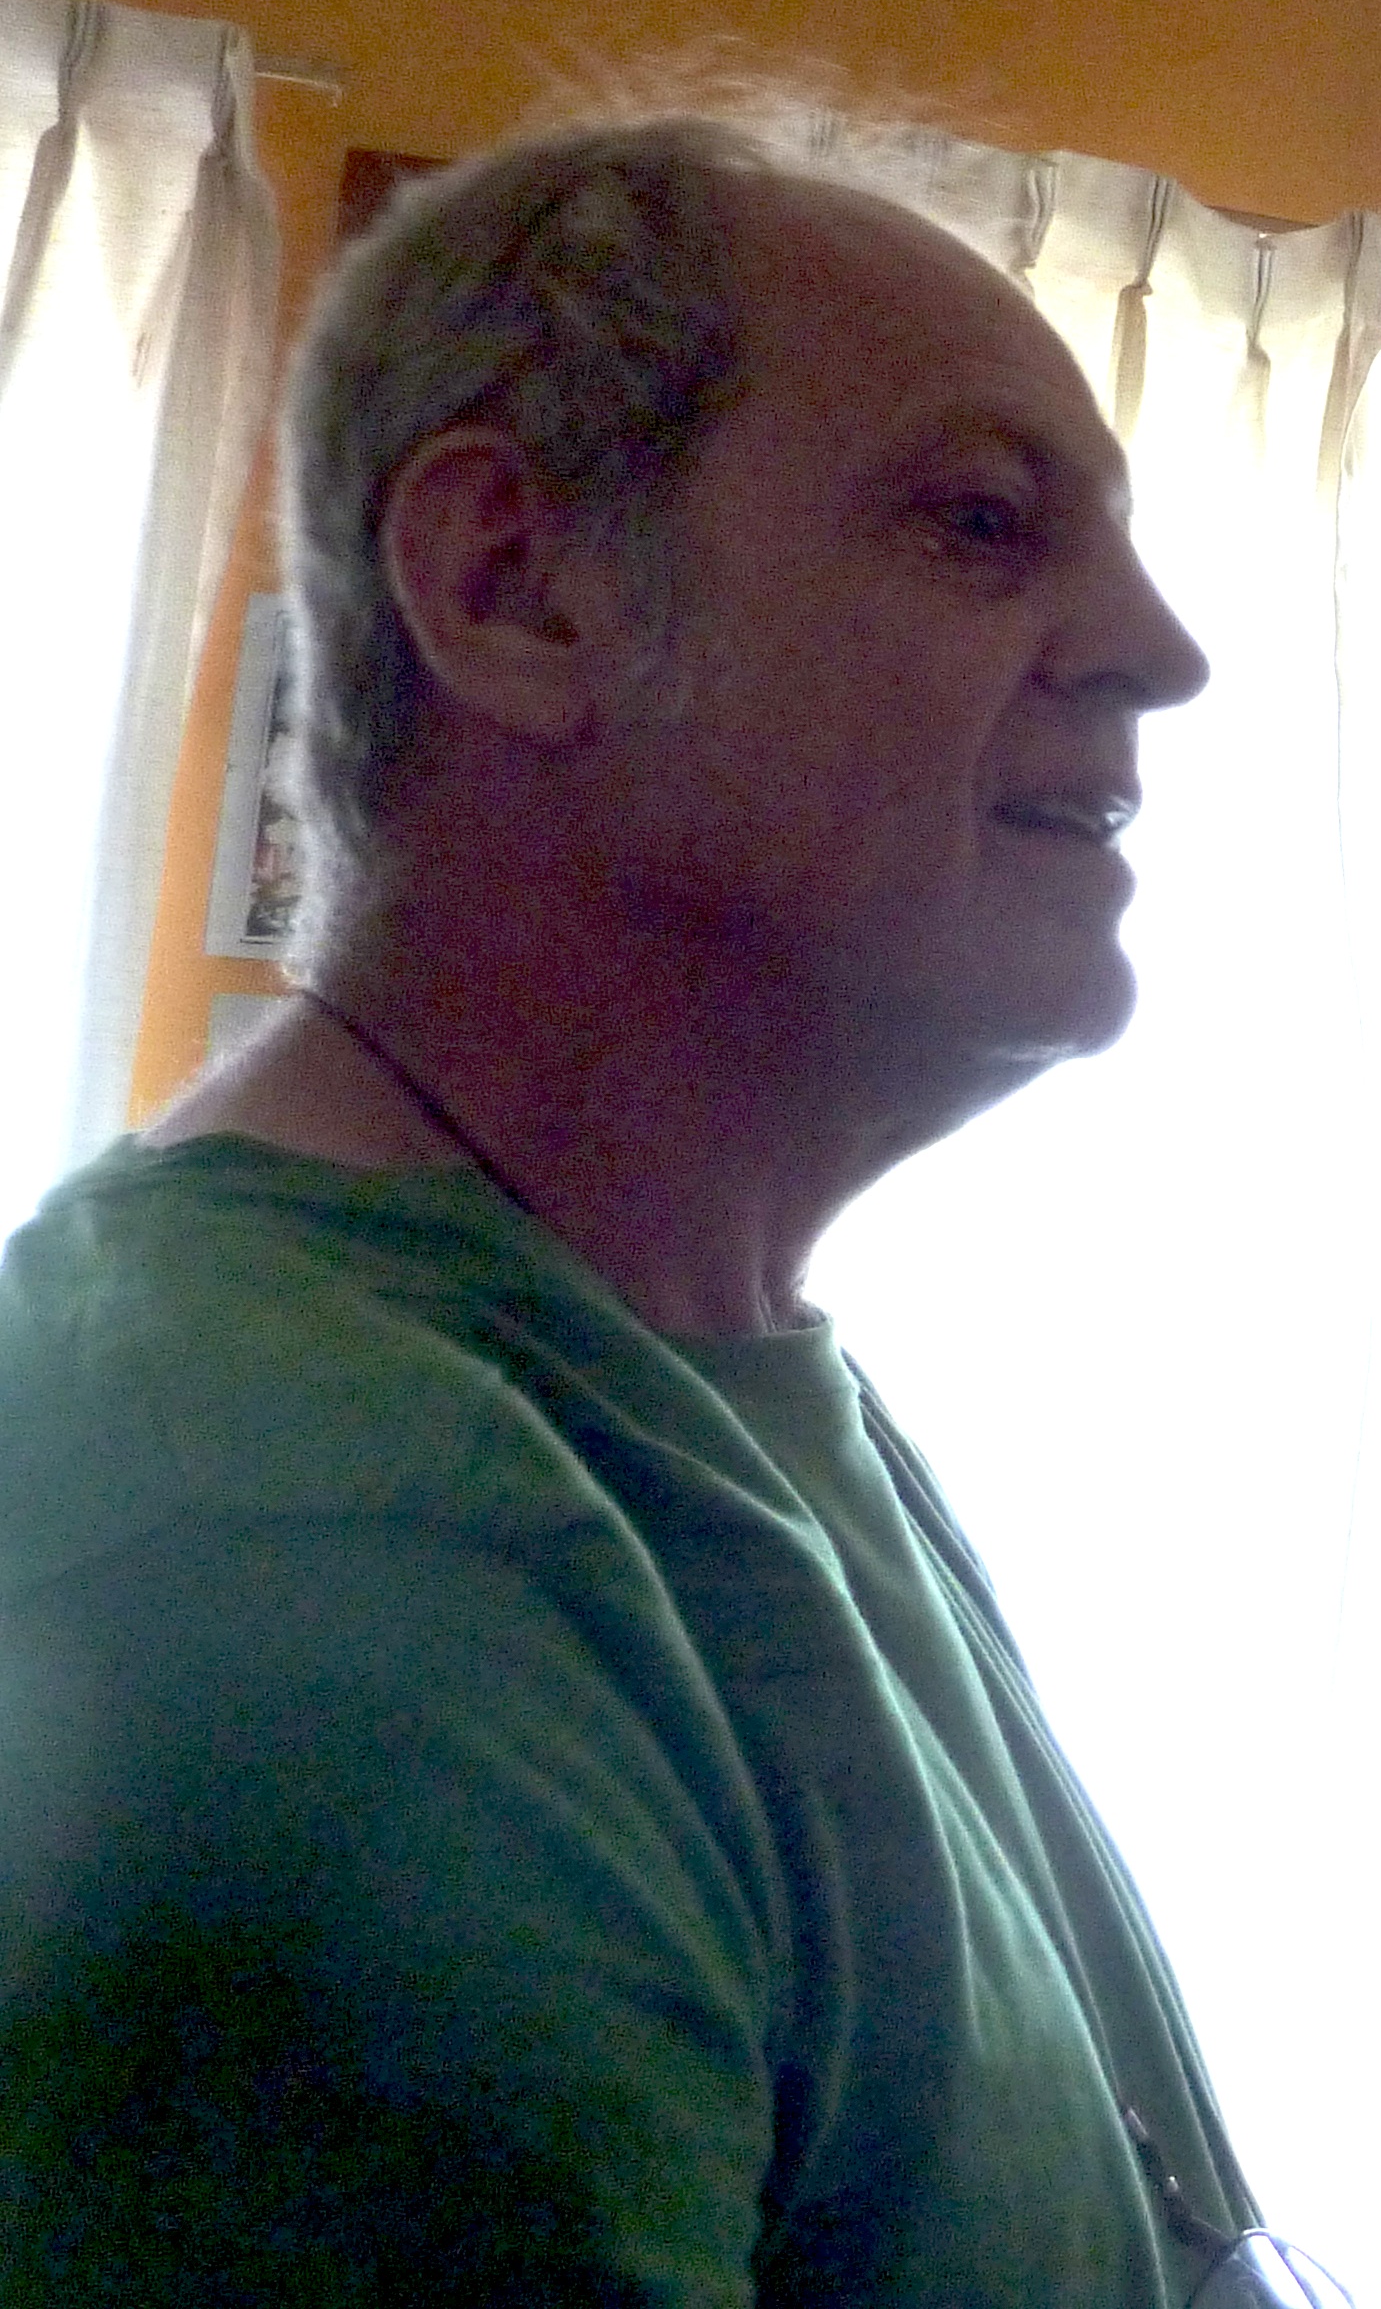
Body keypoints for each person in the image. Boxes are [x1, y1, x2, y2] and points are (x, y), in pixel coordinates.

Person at [0, 114, 1290, 2302]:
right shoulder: (301, 1535)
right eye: (982, 523)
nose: (1163, 653)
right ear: (517, 589)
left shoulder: (703, 1374)